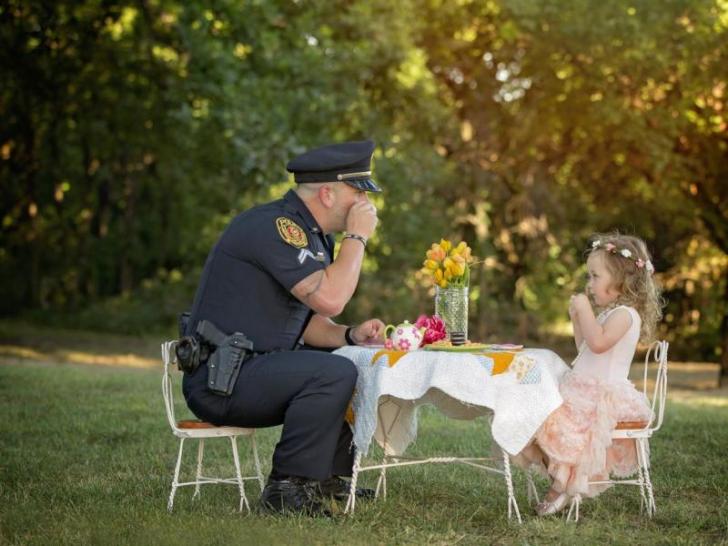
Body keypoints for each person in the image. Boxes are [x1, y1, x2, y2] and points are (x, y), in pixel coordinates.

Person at [181, 140, 385, 516]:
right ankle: (286, 490)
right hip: (221, 379)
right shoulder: (275, 227)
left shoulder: (309, 232)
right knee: (333, 372)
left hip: (252, 367)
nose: (365, 205)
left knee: (345, 357)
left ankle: (327, 477)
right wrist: (357, 237)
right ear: (327, 193)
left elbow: (305, 322)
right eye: (358, 194)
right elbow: (331, 299)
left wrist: (349, 335)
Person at [515, 232, 664, 516]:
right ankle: (559, 481)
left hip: (602, 396)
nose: (589, 283)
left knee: (561, 420)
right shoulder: (612, 313)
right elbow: (586, 346)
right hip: (586, 389)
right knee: (543, 412)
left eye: (595, 276)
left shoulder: (626, 315)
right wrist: (577, 318)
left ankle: (560, 488)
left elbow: (598, 343)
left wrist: (585, 309)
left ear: (620, 279)